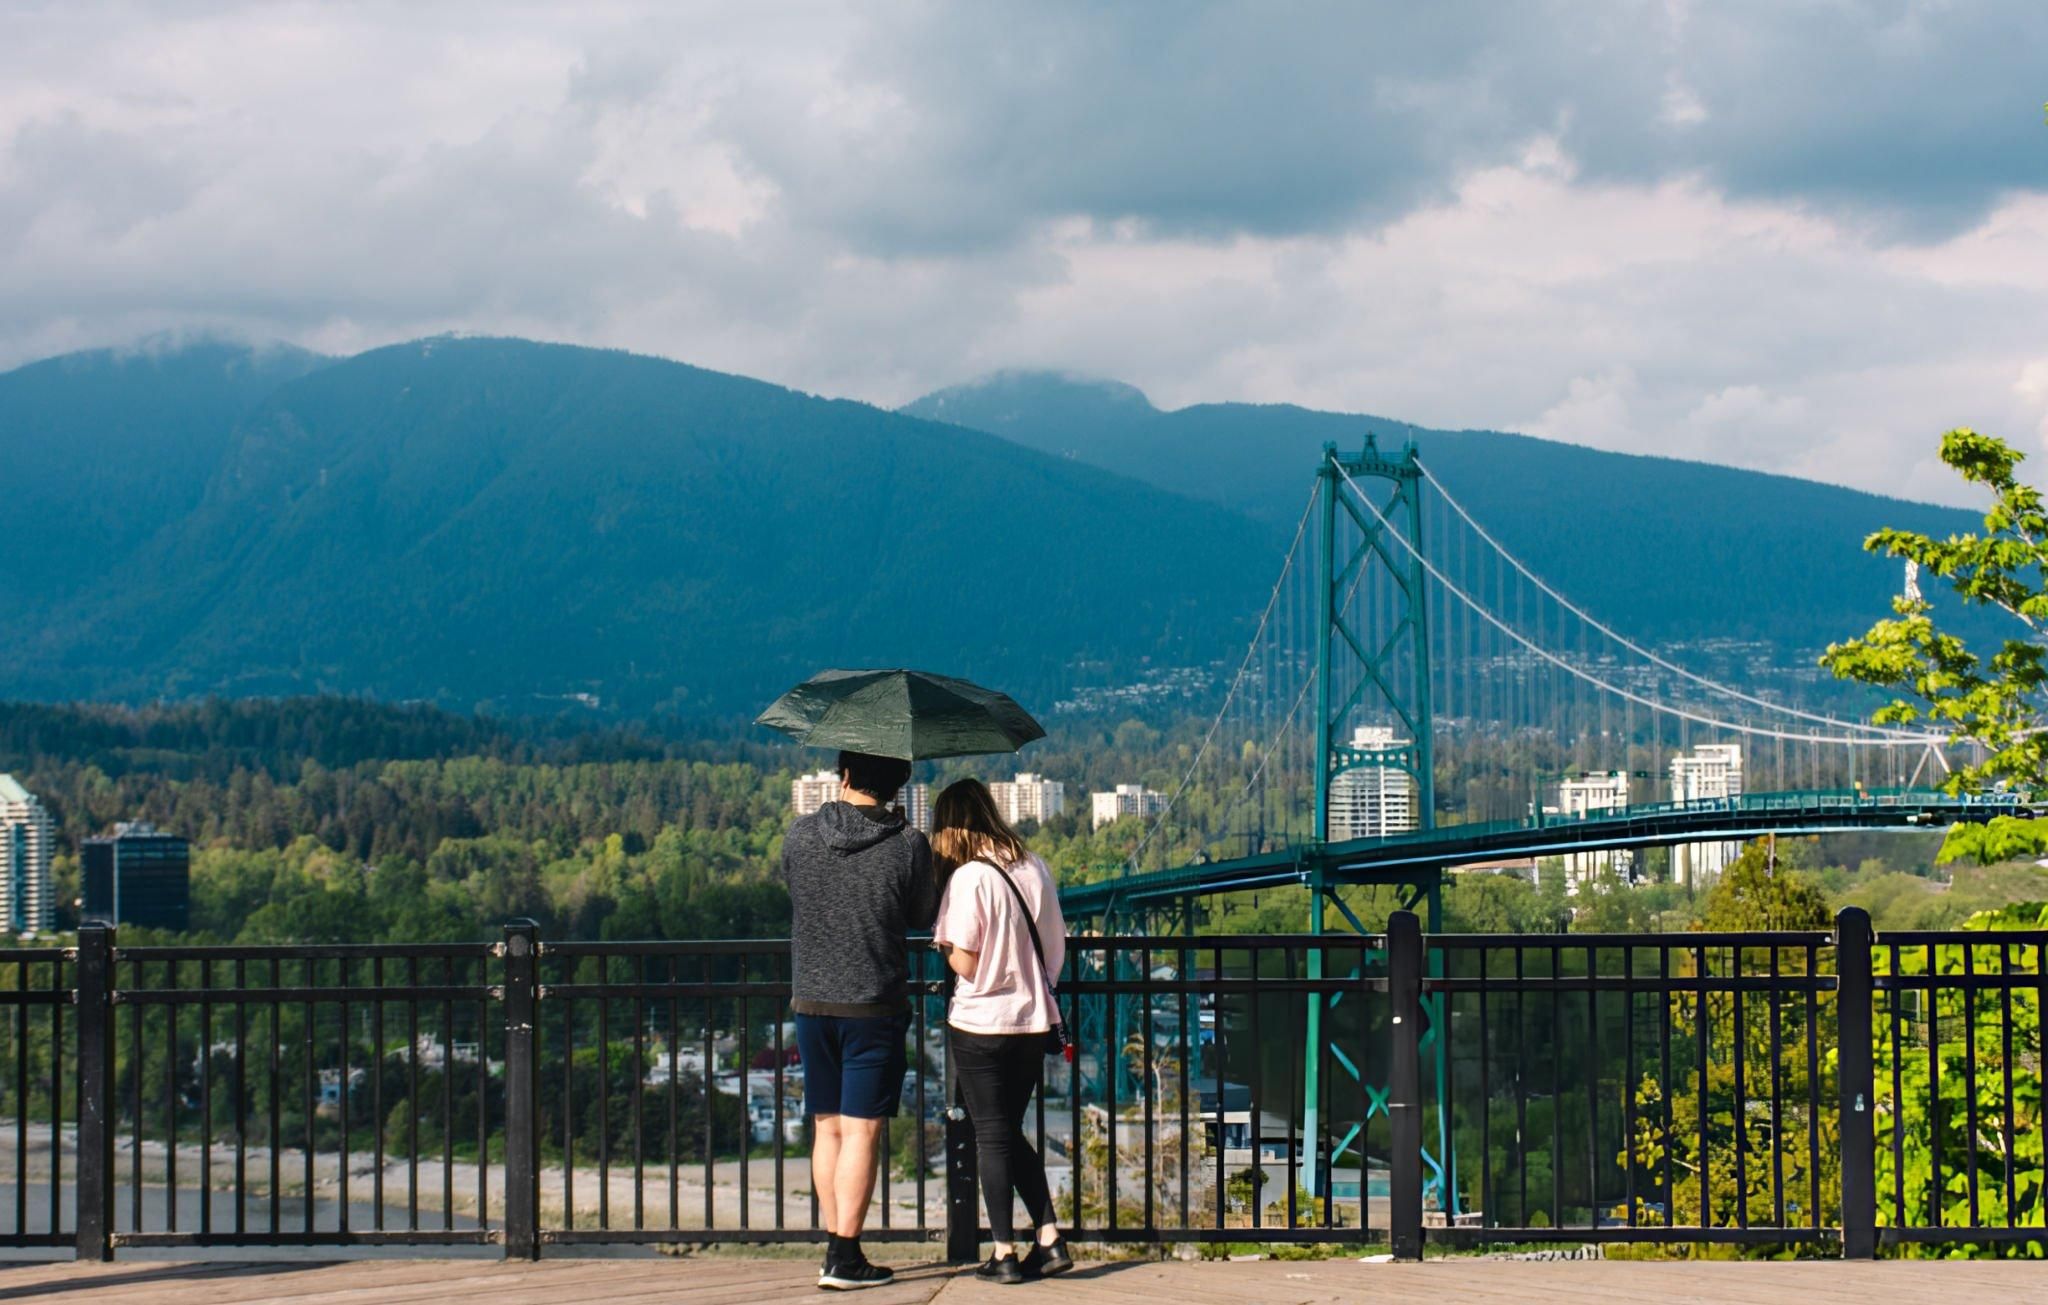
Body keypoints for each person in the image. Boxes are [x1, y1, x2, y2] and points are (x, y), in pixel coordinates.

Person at [782, 750, 939, 1291]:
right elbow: (922, 916)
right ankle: (844, 1256)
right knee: (863, 1130)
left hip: (811, 1003)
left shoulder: (800, 835)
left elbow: (797, 896)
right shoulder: (908, 845)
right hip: (873, 1003)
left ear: (843, 776)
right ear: (899, 785)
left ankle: (834, 1249)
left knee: (826, 1125)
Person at [931, 778, 1073, 1284]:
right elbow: (1055, 947)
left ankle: (1003, 1253)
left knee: (989, 1135)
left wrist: (942, 945)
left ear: (952, 826)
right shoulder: (1035, 866)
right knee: (1008, 1132)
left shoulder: (968, 878)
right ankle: (1051, 1240)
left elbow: (966, 961)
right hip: (1033, 1021)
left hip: (980, 1025)